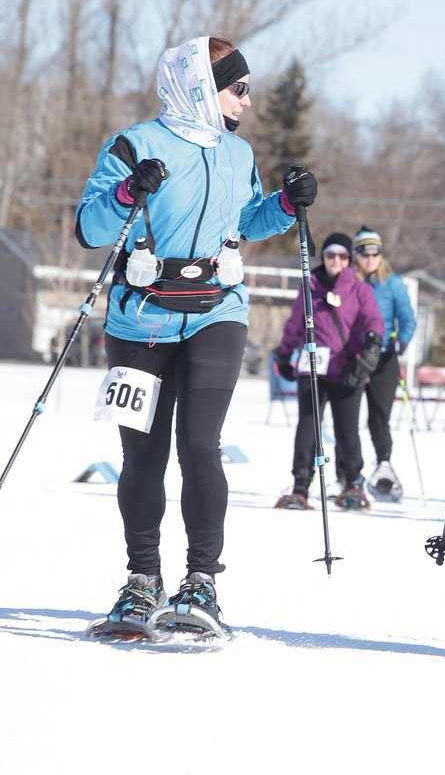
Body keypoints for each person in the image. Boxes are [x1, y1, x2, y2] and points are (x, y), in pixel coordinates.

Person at [76, 36, 317, 637]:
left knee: (200, 447)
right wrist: (128, 191)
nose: (248, 98)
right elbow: (89, 225)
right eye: (237, 87)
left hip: (218, 311)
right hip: (141, 319)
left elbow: (248, 221)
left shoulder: (238, 153)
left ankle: (201, 584)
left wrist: (286, 203)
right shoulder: (134, 144)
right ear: (203, 88)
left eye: (247, 87)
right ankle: (141, 582)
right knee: (143, 456)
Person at [273, 233, 384, 511]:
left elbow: (373, 322)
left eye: (342, 256)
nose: (336, 260)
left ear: (350, 260)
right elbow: (295, 324)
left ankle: (352, 483)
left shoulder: (360, 290)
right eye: (331, 255)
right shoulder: (309, 288)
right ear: (322, 257)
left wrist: (368, 352)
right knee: (308, 426)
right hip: (313, 368)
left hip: (348, 369)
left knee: (347, 430)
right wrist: (284, 353)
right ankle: (301, 485)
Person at [352, 226, 417, 499]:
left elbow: (408, 317)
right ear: (356, 255)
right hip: (354, 355)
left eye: (374, 253)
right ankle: (350, 471)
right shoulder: (348, 281)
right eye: (364, 253)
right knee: (348, 415)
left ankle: (383, 462)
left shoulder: (392, 282)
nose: (369, 258)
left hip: (385, 354)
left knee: (380, 414)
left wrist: (402, 339)